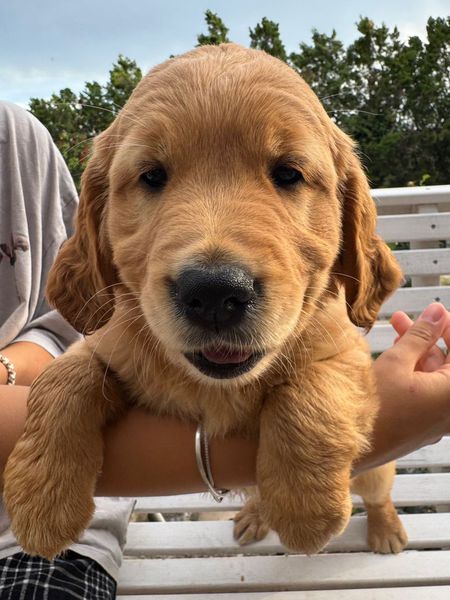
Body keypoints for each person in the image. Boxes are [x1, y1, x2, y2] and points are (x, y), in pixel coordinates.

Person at [1, 101, 450, 591]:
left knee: (371, 479)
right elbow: (93, 356)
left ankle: (381, 507)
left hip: (342, 459)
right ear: (98, 215)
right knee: (73, 377)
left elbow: (342, 360)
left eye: (287, 174)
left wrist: (310, 435)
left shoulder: (316, 321)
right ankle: (262, 497)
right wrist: (62, 412)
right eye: (152, 177)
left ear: (346, 209)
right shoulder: (128, 322)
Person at [0, 101, 134, 599]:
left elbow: (69, 326)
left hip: (33, 534)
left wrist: (6, 367)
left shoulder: (14, 138)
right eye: (154, 177)